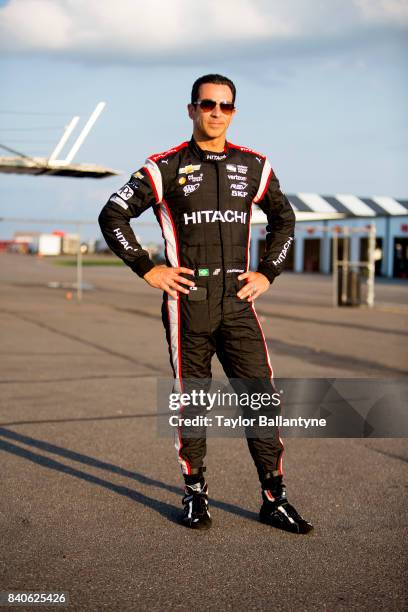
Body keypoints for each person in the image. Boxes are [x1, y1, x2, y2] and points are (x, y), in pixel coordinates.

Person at [98, 74, 312, 534]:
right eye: (208, 104)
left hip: (238, 301)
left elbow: (285, 217)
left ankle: (274, 498)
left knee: (261, 400)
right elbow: (112, 213)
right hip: (187, 304)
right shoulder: (164, 167)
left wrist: (268, 272)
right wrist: (147, 267)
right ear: (192, 109)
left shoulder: (255, 166)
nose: (216, 112)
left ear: (234, 112)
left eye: (225, 106)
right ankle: (195, 494)